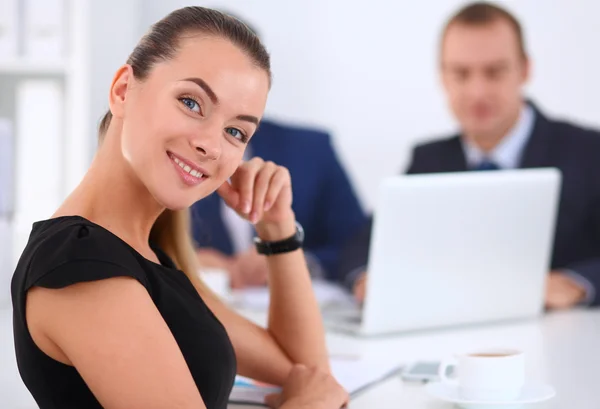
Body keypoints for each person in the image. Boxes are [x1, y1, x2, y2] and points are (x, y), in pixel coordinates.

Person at [11, 7, 348, 409]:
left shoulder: (144, 255)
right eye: (191, 102)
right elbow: (314, 392)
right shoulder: (82, 267)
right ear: (122, 90)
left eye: (235, 131)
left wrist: (278, 228)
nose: (213, 145)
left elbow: (306, 372)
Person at [340, 1, 600, 310]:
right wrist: (368, 279)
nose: (477, 92)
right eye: (461, 74)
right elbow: (362, 246)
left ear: (525, 69)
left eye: (494, 72)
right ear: (443, 77)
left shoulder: (588, 151)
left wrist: (577, 282)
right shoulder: (428, 161)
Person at [191, 17, 366, 289]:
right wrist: (185, 261)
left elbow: (357, 242)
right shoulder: (170, 151)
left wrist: (295, 259)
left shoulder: (313, 148)